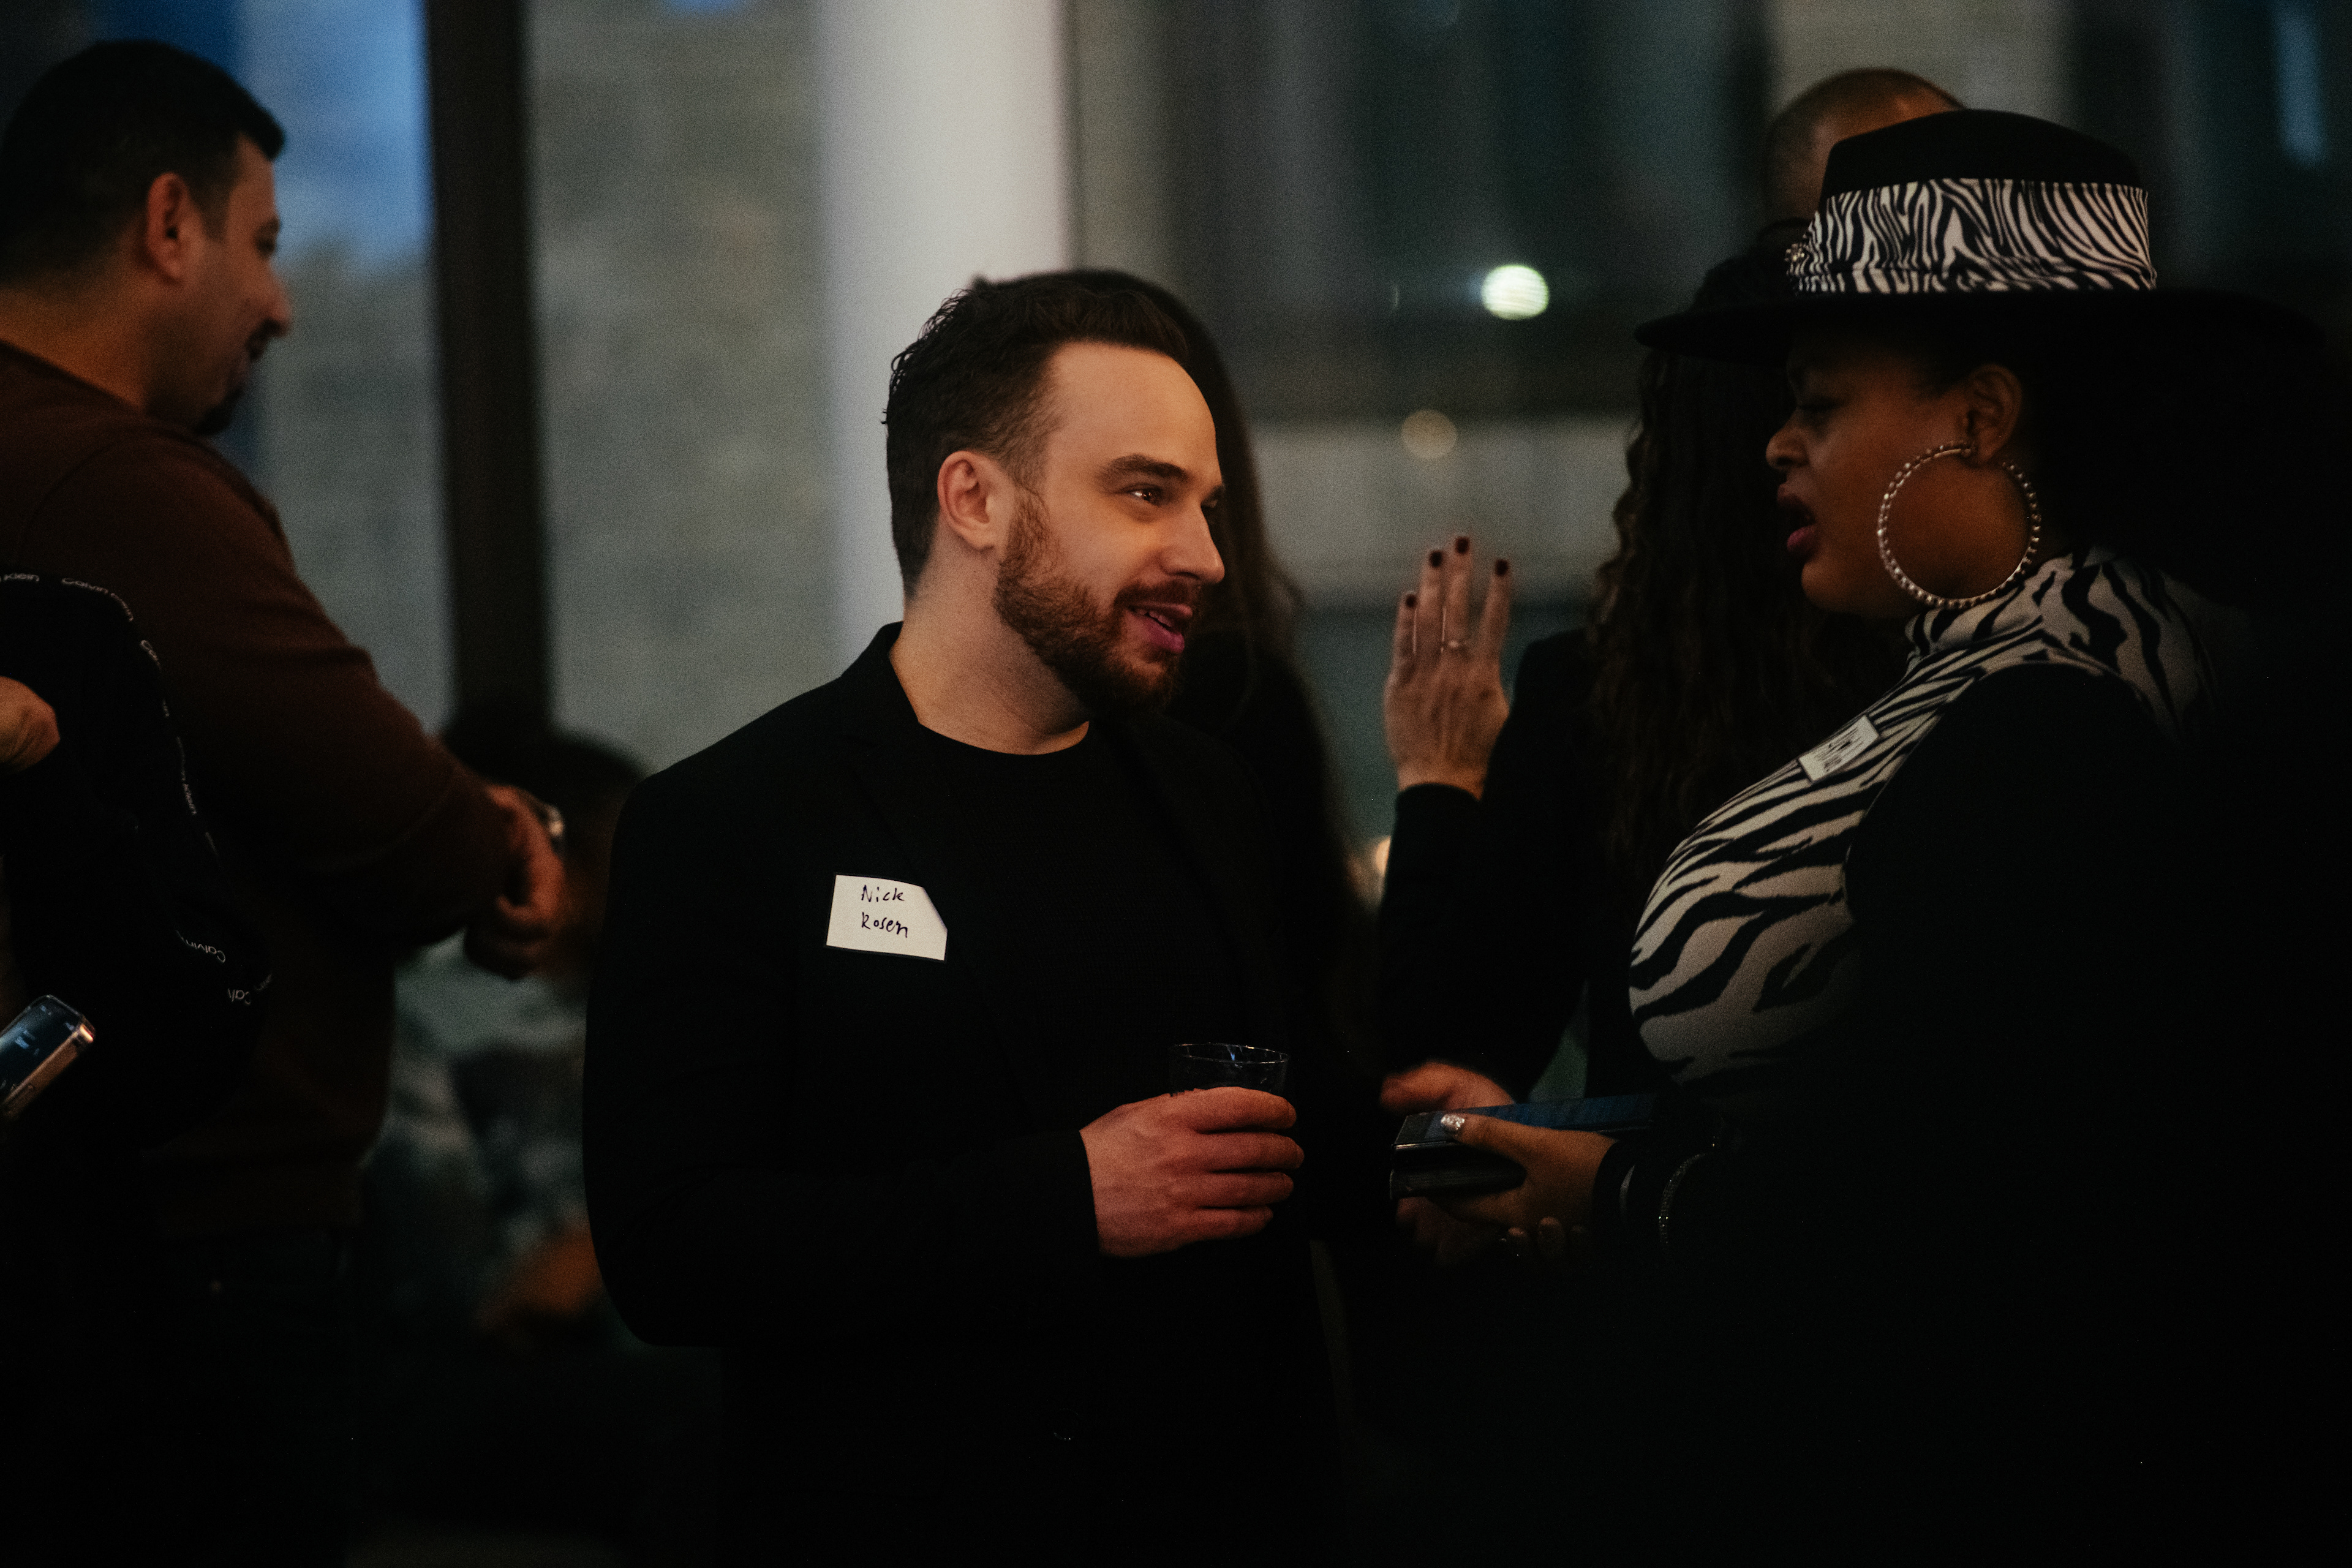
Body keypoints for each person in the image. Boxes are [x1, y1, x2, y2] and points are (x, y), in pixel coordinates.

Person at [1427, 110, 2328, 1546]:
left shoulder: (2051, 718)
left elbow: (1986, 1224)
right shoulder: (2056, 662)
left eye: (1824, 401)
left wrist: (1625, 1194)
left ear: (1979, 415)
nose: (1777, 444)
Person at [586, 274, 1340, 1563]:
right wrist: (1064, 1197)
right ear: (975, 499)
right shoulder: (733, 822)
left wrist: (1439, 1141)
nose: (1208, 558)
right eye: (1146, 493)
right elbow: (672, 1250)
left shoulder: (1207, 792)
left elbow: (1258, 1152)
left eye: (1205, 505)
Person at [0, 42, 562, 1561]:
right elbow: (392, 811)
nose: (283, 303)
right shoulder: (104, 478)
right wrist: (508, 839)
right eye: (262, 243)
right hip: (188, 1231)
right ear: (167, 224)